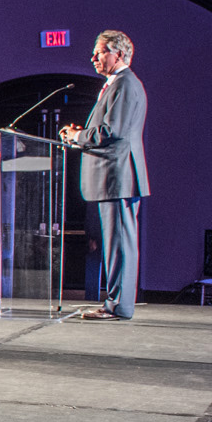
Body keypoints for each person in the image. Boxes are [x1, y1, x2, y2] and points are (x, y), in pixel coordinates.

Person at [61, 29, 150, 321]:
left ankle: (118, 306)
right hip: (113, 176)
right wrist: (80, 135)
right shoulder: (117, 84)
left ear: (118, 54)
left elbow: (112, 131)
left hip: (118, 176)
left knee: (120, 244)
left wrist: (77, 136)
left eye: (99, 52)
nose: (93, 58)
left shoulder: (125, 84)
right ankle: (114, 304)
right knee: (115, 244)